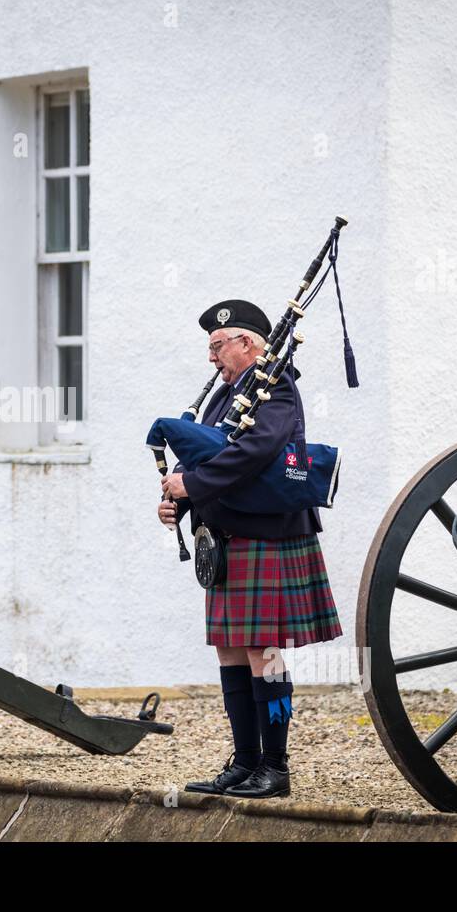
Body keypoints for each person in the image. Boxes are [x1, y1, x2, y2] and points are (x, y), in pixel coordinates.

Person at [158, 299, 342, 799]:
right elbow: (204, 455)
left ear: (248, 344)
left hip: (269, 535)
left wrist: (191, 485)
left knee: (265, 652)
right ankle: (243, 761)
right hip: (226, 538)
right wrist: (177, 501)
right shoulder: (222, 399)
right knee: (230, 651)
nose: (212, 358)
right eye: (210, 348)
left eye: (218, 346)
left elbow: (252, 454)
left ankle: (275, 766)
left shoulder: (276, 388)